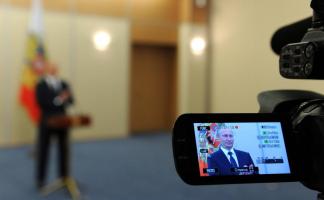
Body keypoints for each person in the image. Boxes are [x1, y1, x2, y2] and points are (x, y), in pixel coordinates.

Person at [35, 63, 74, 189]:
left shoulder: (64, 84)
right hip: (46, 122)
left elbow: (71, 100)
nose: (53, 70)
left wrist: (64, 99)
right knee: (43, 151)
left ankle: (64, 178)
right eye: (51, 68)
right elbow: (42, 102)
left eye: (55, 68)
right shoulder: (40, 85)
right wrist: (59, 99)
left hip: (62, 122)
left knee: (64, 151)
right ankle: (40, 180)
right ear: (46, 70)